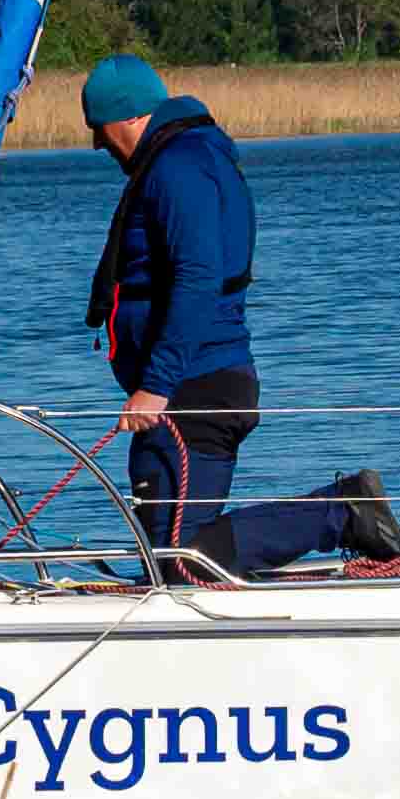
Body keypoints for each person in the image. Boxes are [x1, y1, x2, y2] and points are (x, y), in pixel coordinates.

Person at [81, 54, 260, 569]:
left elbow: (198, 276)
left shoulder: (179, 166)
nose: (99, 144)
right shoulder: (182, 158)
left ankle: (341, 513)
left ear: (129, 116)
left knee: (180, 560)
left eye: (100, 129)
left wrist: (157, 386)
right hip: (181, 391)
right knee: (166, 559)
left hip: (193, 390)